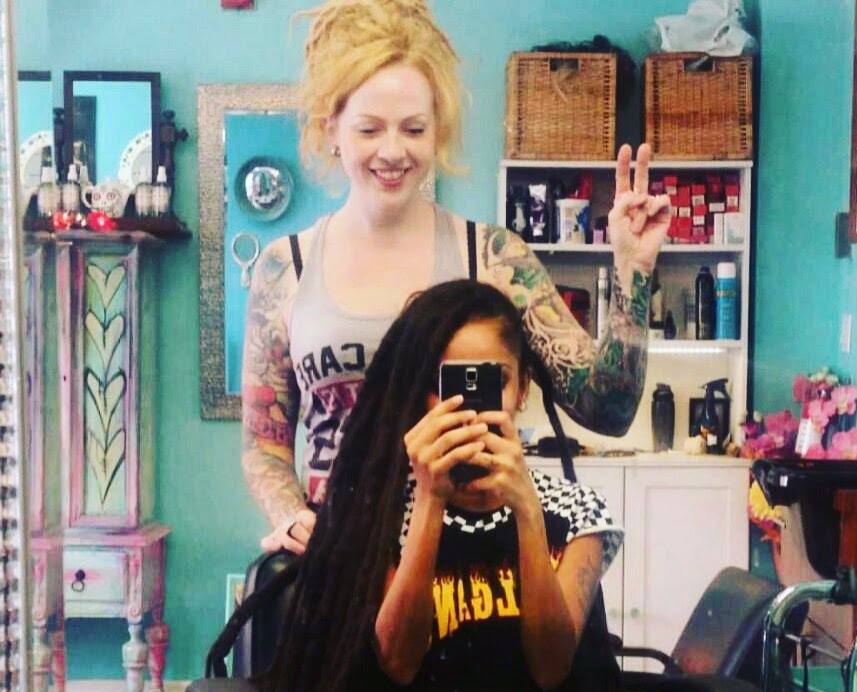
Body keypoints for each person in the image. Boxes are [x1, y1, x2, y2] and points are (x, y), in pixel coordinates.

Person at [241, 0, 671, 555]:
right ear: (333, 131)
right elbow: (265, 445)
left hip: (472, 565)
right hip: (342, 563)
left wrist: (633, 271)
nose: (393, 151)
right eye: (370, 128)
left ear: (436, 132)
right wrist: (291, 515)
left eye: (414, 128)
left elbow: (607, 411)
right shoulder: (284, 269)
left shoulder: (493, 258)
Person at [261, 280, 627, 692]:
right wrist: (430, 498)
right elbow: (398, 662)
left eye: (493, 381)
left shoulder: (577, 511)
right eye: (444, 385)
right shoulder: (377, 515)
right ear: (418, 395)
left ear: (521, 390)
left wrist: (528, 512)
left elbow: (552, 668)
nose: (463, 407)